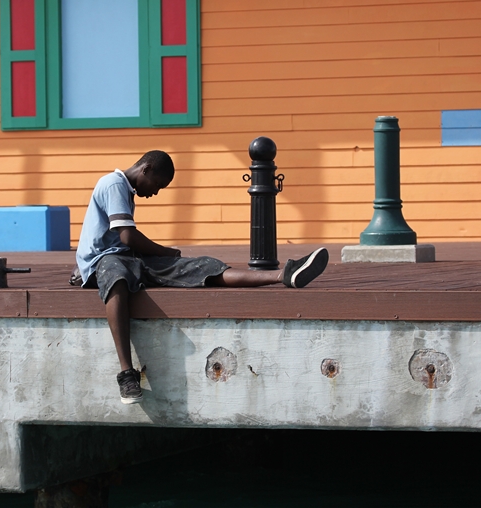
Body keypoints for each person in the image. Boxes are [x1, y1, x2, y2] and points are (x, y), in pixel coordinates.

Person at [75, 150, 329, 405]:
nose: (155, 192)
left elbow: (127, 243)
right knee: (117, 277)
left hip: (129, 258)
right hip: (103, 262)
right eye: (157, 185)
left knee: (201, 266)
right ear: (146, 169)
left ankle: (282, 275)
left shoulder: (127, 189)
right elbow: (127, 237)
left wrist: (174, 259)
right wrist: (168, 252)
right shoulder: (113, 183)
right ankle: (126, 373)